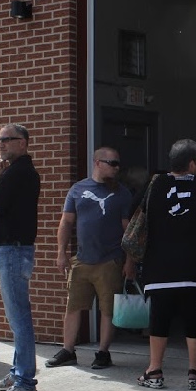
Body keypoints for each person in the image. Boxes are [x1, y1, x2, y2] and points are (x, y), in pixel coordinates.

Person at [124, 139, 196, 390]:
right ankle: (195, 373)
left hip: (159, 265)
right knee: (193, 317)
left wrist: (132, 257)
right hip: (195, 266)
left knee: (159, 318)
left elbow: (134, 217)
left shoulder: (155, 184)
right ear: (192, 162)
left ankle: (154, 372)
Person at [47, 147, 133, 369]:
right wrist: (61, 253)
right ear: (97, 163)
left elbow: (129, 231)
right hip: (82, 259)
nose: (116, 168)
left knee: (107, 309)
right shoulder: (78, 189)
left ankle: (103, 352)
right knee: (73, 306)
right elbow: (66, 222)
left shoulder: (122, 193)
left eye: (118, 164)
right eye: (111, 163)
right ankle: (68, 350)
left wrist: (130, 261)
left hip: (110, 260)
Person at [0, 124, 42, 391]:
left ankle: (25, 384)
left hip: (14, 251)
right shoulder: (16, 172)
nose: (1, 144)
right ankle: (18, 372)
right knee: (17, 317)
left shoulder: (18, 173)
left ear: (23, 143)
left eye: (8, 139)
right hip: (14, 249)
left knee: (19, 319)